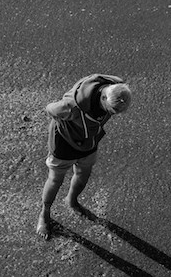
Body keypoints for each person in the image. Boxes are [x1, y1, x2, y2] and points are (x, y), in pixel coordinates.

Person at [36, 73, 132, 240]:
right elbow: (50, 109)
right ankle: (45, 213)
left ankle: (71, 200)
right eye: (111, 111)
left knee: (83, 174)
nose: (113, 115)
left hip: (89, 142)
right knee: (55, 179)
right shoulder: (72, 106)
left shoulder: (115, 86)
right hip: (64, 144)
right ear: (103, 97)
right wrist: (67, 126)